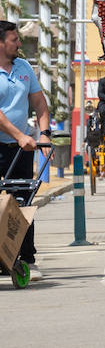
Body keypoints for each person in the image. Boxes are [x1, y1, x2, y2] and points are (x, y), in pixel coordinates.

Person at [0, 21, 52, 281]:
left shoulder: (23, 68)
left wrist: (43, 134)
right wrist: (20, 135)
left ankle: (26, 258)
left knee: (24, 202)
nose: (19, 44)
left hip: (21, 150)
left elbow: (39, 102)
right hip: (8, 144)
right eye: (13, 39)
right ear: (0, 43)